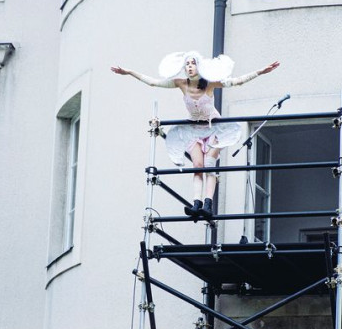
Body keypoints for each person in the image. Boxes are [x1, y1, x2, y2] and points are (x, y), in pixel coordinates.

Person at [111, 51, 279, 220]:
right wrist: (130, 72)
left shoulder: (210, 84)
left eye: (193, 63)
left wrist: (260, 72)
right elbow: (154, 83)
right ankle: (196, 204)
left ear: (200, 66)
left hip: (214, 128)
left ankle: (208, 204)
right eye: (187, 64)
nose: (190, 67)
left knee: (209, 164)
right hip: (194, 130)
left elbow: (237, 81)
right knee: (198, 166)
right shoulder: (181, 83)